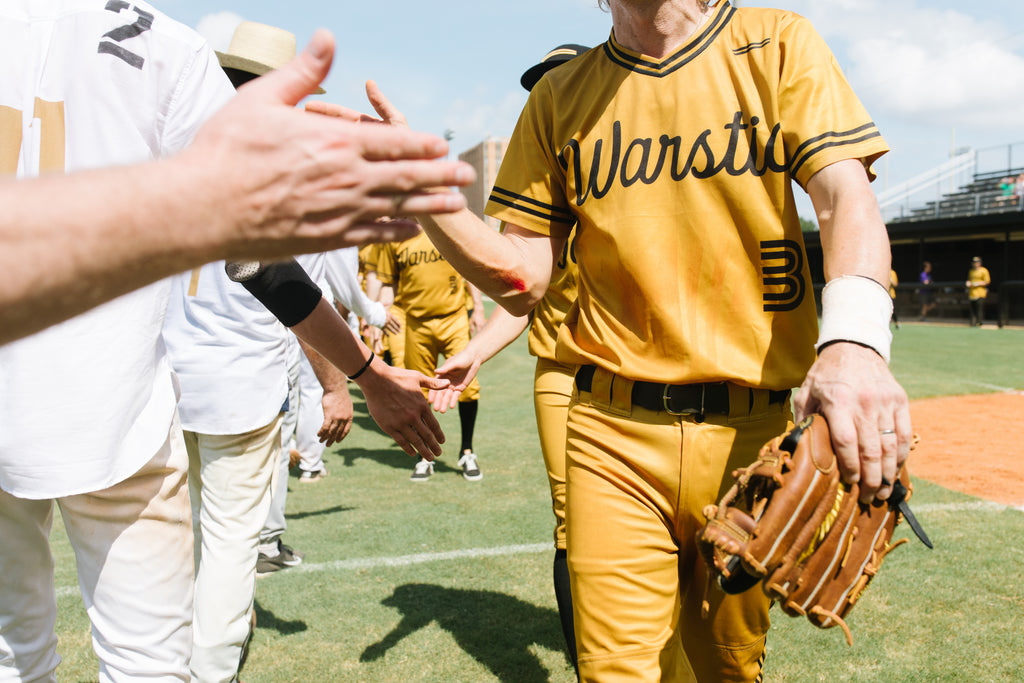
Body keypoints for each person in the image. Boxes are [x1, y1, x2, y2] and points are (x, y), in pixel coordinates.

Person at [344, 1, 913, 679]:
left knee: (726, 669)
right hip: (608, 431)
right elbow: (521, 278)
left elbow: (843, 196)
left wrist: (853, 342)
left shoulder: (778, 42)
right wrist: (424, 192)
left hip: (751, 431)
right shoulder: (557, 97)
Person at [0, 26, 474, 347]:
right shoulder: (272, 175)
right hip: (241, 376)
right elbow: (282, 276)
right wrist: (359, 372)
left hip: (165, 372)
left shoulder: (162, 144)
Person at [427, 42, 590, 676]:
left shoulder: (629, 165)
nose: (546, 96)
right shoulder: (532, 188)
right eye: (538, 88)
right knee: (570, 523)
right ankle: (586, 663)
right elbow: (520, 295)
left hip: (646, 373)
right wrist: (473, 353)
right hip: (563, 370)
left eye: (560, 82)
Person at [374, 230, 487, 481]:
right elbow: (389, 281)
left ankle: (467, 451)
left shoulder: (446, 227)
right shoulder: (396, 234)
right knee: (418, 392)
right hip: (416, 323)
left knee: (467, 387)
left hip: (454, 318)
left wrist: (478, 308)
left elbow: (468, 270)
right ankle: (425, 456)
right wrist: (379, 313)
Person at [966, 255, 991, 326]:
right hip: (972, 293)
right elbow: (969, 280)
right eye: (974, 262)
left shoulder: (984, 270)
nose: (975, 263)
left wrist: (977, 283)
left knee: (979, 309)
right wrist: (968, 282)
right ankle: (972, 323)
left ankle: (980, 323)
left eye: (977, 262)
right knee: (972, 310)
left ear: (980, 263)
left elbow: (987, 281)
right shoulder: (971, 271)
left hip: (980, 293)